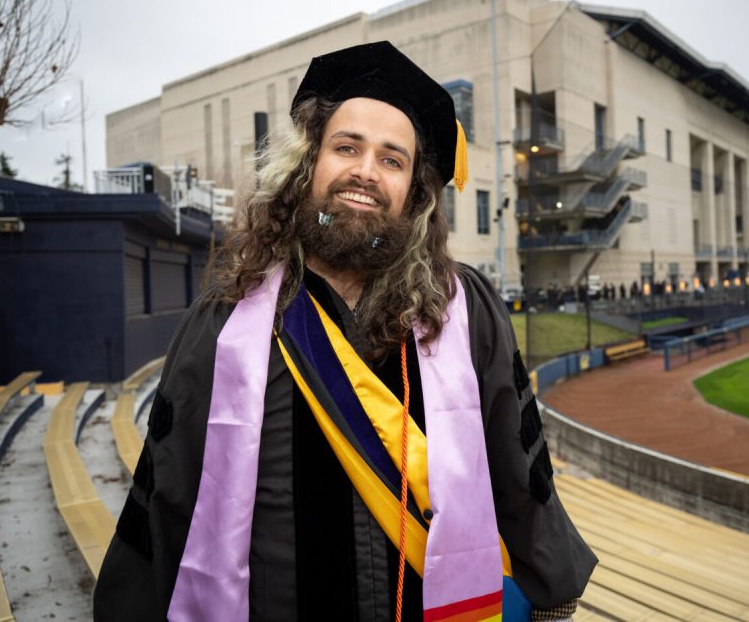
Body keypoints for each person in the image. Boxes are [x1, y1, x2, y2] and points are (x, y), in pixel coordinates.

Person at [94, 41, 595, 622]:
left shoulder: (464, 312)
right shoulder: (226, 322)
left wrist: (552, 590)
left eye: (392, 158)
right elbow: (168, 494)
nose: (364, 171)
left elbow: (518, 460)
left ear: (415, 192)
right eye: (346, 147)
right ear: (307, 165)